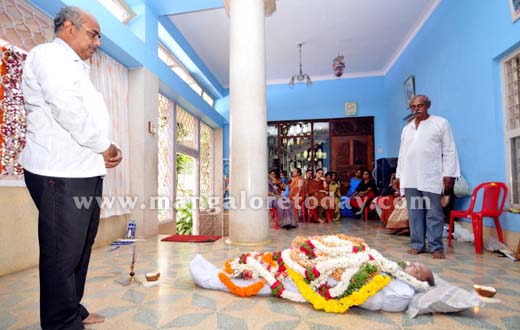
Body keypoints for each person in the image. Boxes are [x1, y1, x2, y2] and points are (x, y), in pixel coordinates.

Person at [19, 6, 122, 329]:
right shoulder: (48, 55)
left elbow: (83, 115)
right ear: (68, 28)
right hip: (58, 173)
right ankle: (60, 323)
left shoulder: (77, 68)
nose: (98, 43)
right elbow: (65, 108)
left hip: (83, 172)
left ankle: (71, 308)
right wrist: (102, 145)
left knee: (79, 248)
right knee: (62, 254)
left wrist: (103, 148)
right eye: (93, 34)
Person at [189, 234, 435, 313]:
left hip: (320, 280)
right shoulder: (388, 269)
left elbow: (359, 290)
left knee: (270, 277)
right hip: (322, 266)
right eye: (418, 265)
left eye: (419, 270)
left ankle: (213, 279)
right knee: (272, 261)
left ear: (417, 282)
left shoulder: (398, 291)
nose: (414, 265)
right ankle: (228, 270)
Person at [396, 95, 460, 259]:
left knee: (433, 212)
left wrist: (449, 174)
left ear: (428, 105)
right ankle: (417, 244)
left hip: (431, 176)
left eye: (420, 105)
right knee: (415, 211)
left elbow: (450, 149)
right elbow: (402, 154)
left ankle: (436, 247)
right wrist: (398, 176)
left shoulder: (440, 123)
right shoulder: (407, 129)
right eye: (413, 106)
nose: (416, 108)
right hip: (410, 177)